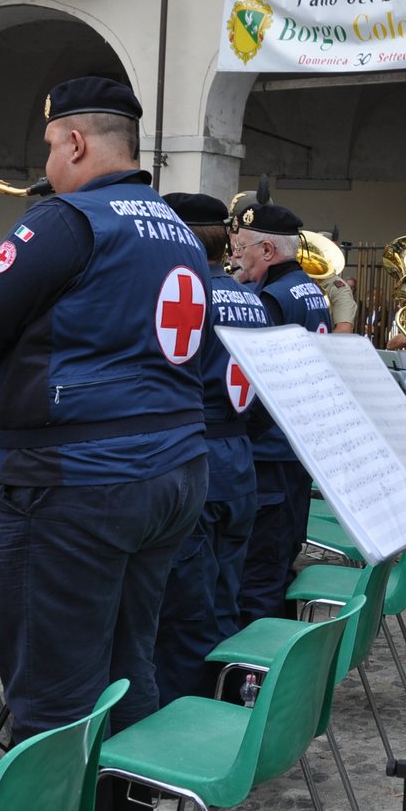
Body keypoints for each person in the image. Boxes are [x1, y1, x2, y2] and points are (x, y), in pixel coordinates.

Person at [0, 76, 209, 811]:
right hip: (168, 473)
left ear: (76, 142)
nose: (47, 164)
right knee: (130, 673)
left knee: (54, 703)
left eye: (50, 146)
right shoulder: (176, 225)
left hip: (73, 483)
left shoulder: (64, 219)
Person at [155, 192, 268, 703]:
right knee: (225, 598)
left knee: (185, 610)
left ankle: (187, 719)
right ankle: (223, 702)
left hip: (194, 458)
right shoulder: (251, 298)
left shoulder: (184, 293)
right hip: (239, 460)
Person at [229, 189, 330, 624]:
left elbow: (255, 383)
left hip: (269, 452)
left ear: (268, 249)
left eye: (242, 250)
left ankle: (252, 681)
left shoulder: (272, 299)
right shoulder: (309, 289)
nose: (237, 259)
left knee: (258, 575)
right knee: (280, 560)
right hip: (295, 448)